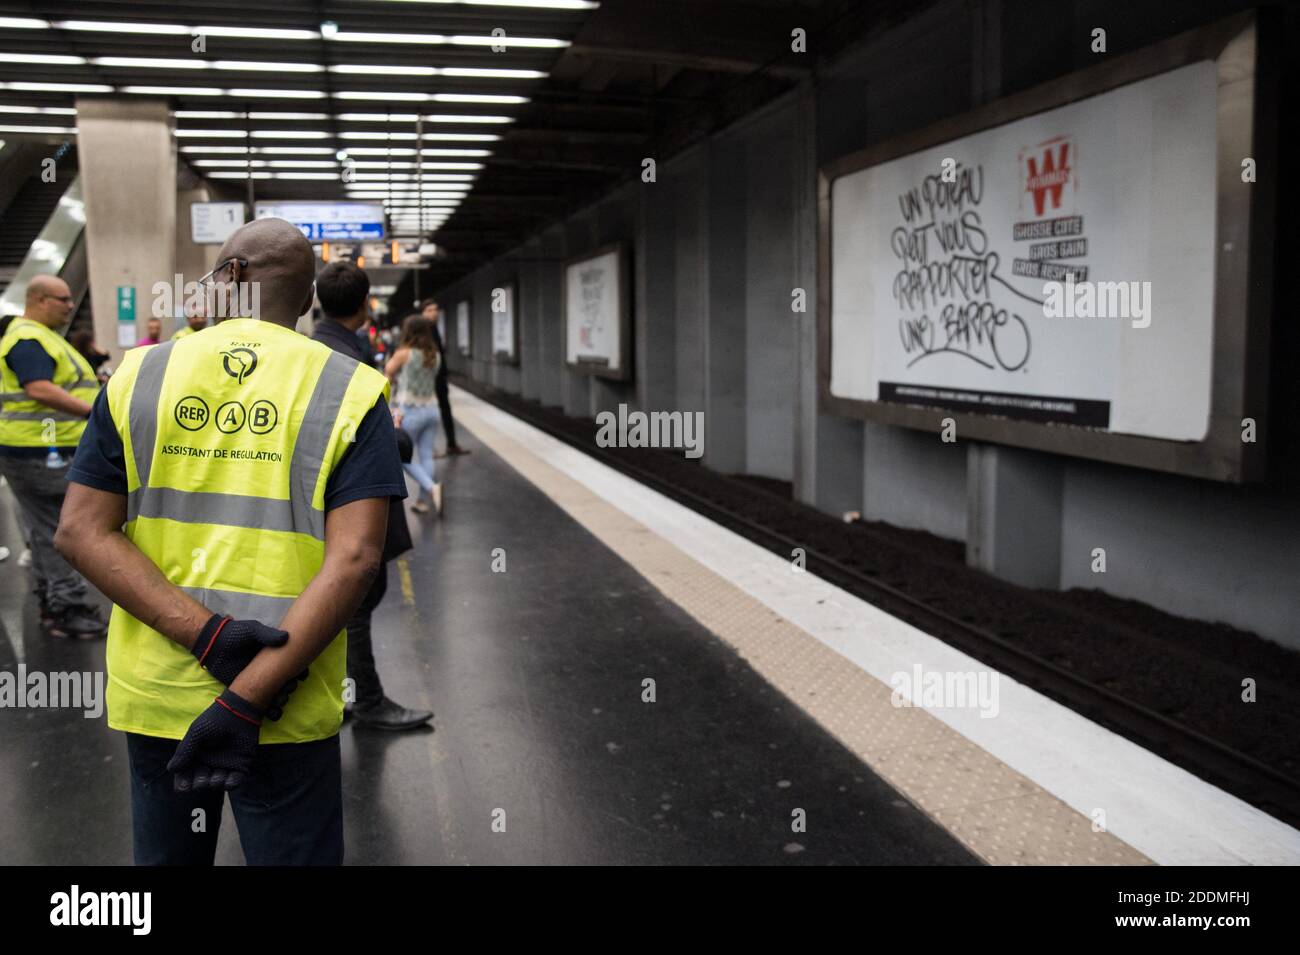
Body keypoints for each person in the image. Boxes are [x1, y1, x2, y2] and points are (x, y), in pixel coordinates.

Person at [54, 218, 405, 865]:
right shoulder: (349, 387)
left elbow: (80, 529)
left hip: (160, 698)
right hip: (284, 701)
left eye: (212, 275)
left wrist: (205, 636)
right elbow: (355, 557)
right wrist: (246, 699)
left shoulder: (139, 375)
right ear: (305, 301)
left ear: (235, 277)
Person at [312, 261, 432, 732]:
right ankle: (368, 702)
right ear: (366, 304)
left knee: (345, 602)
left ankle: (338, 694)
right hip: (352, 502)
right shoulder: (350, 360)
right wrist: (398, 436)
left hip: (321, 496)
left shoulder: (312, 350)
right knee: (356, 602)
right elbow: (381, 441)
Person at [0, 275, 105, 638]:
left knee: (47, 526)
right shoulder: (28, 339)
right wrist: (92, 413)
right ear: (41, 299)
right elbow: (39, 388)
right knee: (56, 528)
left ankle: (55, 601)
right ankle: (65, 607)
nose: (70, 305)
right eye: (63, 299)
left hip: (41, 448)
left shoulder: (38, 338)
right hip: (39, 451)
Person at [386, 314, 443, 515]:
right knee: (427, 454)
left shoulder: (404, 353)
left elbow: (388, 370)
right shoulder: (435, 354)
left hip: (409, 410)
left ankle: (430, 487)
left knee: (402, 456)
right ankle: (423, 501)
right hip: (432, 410)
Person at [419, 299, 469, 457]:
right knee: (429, 412)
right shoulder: (423, 330)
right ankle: (429, 448)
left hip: (440, 377)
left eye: (435, 309)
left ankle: (451, 444)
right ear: (422, 313)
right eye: (429, 310)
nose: (434, 313)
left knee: (445, 410)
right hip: (429, 378)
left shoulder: (433, 328)